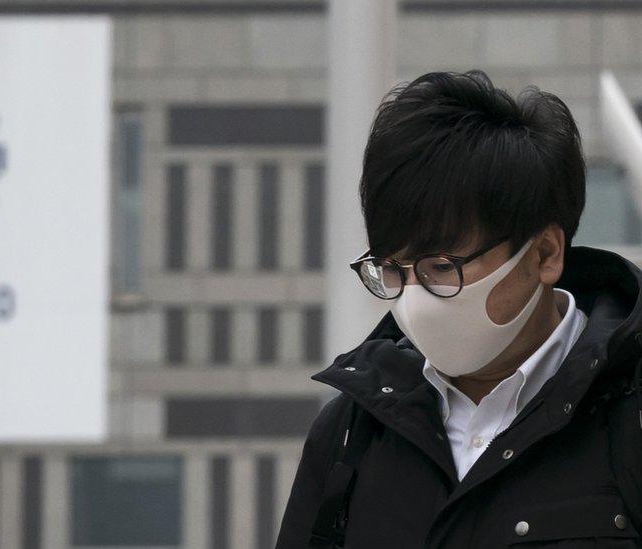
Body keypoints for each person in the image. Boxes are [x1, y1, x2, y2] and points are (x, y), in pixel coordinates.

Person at [275, 70, 642, 549]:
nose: (414, 299)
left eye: (441, 267)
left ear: (544, 254)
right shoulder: (352, 432)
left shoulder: (628, 411)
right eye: (392, 269)